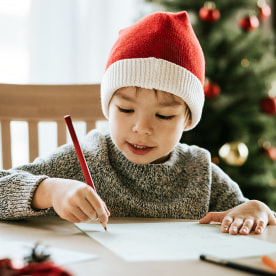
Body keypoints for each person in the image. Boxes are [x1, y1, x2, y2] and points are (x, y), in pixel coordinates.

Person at [0, 11, 275, 236]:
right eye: (126, 109)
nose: (141, 128)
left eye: (164, 115)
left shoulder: (200, 173)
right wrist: (49, 191)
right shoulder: (85, 158)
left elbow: (252, 219)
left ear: (188, 118)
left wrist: (259, 210)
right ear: (108, 106)